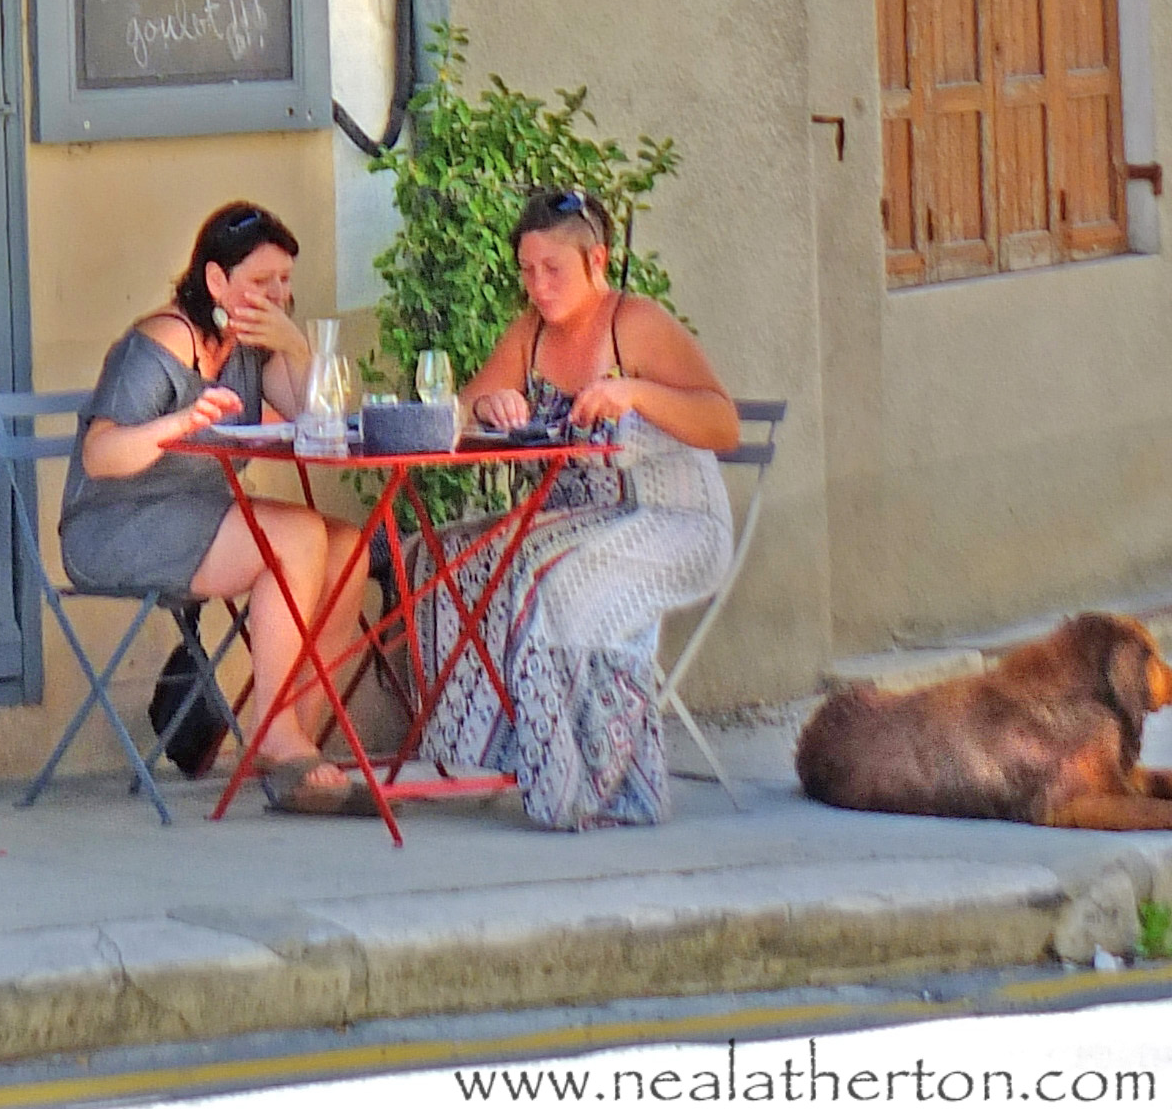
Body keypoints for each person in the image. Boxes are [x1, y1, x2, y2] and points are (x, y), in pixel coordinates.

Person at [413, 183, 738, 832]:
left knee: (547, 572)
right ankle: (488, 757)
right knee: (448, 556)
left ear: (596, 262)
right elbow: (463, 405)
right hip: (577, 522)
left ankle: (582, 781)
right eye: (527, 271)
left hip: (673, 521)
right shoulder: (529, 334)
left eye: (552, 269)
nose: (537, 285)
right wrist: (490, 405)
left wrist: (636, 392)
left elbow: (723, 424)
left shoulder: (636, 324)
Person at [61, 198, 375, 814]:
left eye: (285, 282)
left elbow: (321, 420)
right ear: (215, 281)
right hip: (118, 526)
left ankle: (296, 745)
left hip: (200, 516)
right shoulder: (163, 341)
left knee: (346, 547)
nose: (277, 295)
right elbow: (100, 454)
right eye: (261, 282)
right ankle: (275, 733)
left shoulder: (252, 348)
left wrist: (294, 346)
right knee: (296, 536)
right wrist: (176, 424)